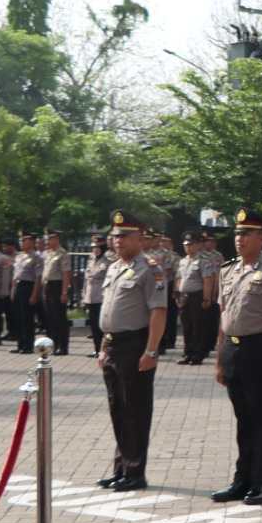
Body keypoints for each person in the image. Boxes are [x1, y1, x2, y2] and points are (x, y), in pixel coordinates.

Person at [211, 209, 262, 506]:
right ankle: (241, 479)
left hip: (258, 350)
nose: (239, 239)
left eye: (246, 233)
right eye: (237, 233)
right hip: (232, 349)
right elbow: (223, 318)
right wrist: (219, 359)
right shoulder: (227, 271)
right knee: (243, 418)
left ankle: (260, 481)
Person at [96, 211, 167, 492]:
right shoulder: (114, 267)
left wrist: (151, 350)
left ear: (139, 237)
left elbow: (158, 312)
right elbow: (109, 312)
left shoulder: (150, 269)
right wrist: (103, 347)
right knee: (118, 409)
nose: (118, 241)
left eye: (124, 236)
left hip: (135, 345)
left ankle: (136, 472)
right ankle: (122, 467)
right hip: (113, 344)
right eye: (114, 236)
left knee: (135, 410)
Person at [173, 232, 214, 365]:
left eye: (191, 245)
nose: (188, 247)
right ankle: (187, 353)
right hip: (184, 296)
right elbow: (179, 278)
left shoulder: (203, 261)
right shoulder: (183, 261)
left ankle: (197, 355)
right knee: (187, 326)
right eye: (186, 245)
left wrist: (207, 298)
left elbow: (207, 280)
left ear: (197, 245)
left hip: (197, 296)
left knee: (198, 326)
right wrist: (177, 293)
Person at [40, 230, 71, 355]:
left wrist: (64, 292)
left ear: (57, 239)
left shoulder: (62, 253)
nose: (48, 241)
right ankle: (52, 345)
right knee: (50, 318)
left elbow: (66, 273)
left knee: (59, 318)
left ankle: (62, 347)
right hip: (47, 287)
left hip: (57, 286)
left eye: (50, 238)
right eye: (47, 239)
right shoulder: (47, 253)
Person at [11, 232, 41, 353]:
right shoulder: (19, 256)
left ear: (32, 242)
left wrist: (34, 294)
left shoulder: (36, 257)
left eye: (25, 240)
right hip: (18, 286)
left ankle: (28, 346)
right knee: (18, 317)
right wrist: (12, 290)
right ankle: (20, 344)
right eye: (22, 240)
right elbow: (15, 275)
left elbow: (38, 278)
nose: (22, 243)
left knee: (27, 318)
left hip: (28, 287)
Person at [84, 236, 111, 355]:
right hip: (90, 296)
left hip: (101, 296)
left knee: (101, 326)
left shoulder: (108, 262)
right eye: (94, 247)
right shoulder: (91, 260)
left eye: (98, 247)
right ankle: (96, 349)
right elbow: (86, 280)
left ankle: (103, 350)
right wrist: (84, 295)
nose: (95, 250)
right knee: (93, 325)